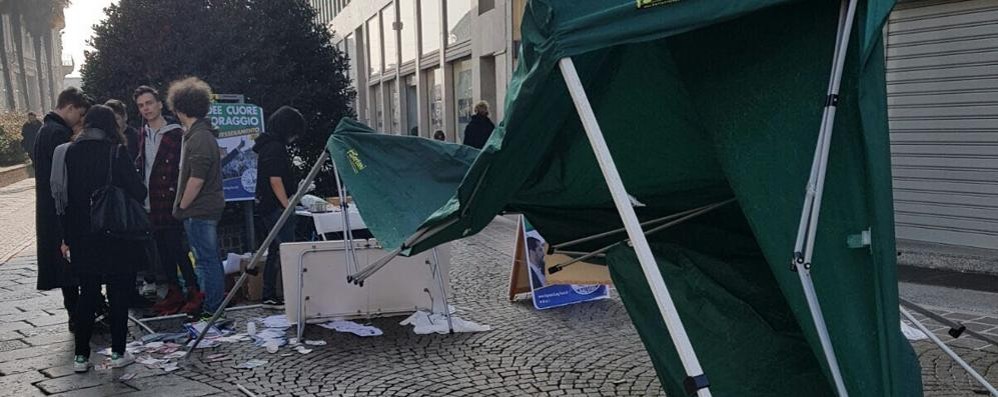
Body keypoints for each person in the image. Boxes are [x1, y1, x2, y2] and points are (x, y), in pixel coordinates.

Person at [58, 105, 145, 372]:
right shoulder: (116, 152)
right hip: (114, 233)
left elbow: (64, 199)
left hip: (83, 236)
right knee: (119, 293)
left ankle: (81, 357)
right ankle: (118, 352)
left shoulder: (70, 152)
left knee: (87, 294)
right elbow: (138, 191)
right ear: (111, 125)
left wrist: (66, 237)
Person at [132, 86, 201, 315]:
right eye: (141, 105)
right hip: (150, 200)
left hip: (170, 198)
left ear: (160, 104)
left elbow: (184, 168)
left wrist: (181, 199)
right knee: (162, 249)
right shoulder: (142, 133)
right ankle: (173, 291)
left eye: (149, 103)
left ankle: (192, 289)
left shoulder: (176, 132)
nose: (146, 109)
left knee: (177, 247)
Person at [33, 87, 92, 333]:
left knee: (65, 265)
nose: (79, 120)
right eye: (78, 114)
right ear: (69, 107)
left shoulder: (44, 130)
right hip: (60, 210)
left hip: (49, 209)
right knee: (69, 264)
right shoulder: (57, 133)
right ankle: (78, 316)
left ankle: (76, 314)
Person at [168, 77, 225, 319]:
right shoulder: (199, 134)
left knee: (207, 260)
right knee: (204, 260)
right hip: (203, 208)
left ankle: (213, 308)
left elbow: (196, 179)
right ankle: (209, 305)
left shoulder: (199, 137)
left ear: (180, 109)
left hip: (199, 210)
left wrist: (182, 205)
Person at [253, 106, 305, 309]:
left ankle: (271, 293)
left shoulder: (266, 146)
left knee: (276, 249)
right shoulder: (275, 148)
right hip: (275, 206)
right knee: (284, 249)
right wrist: (287, 205)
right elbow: (275, 180)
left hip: (268, 205)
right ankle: (277, 293)